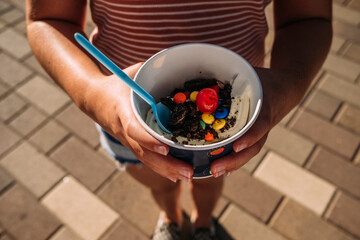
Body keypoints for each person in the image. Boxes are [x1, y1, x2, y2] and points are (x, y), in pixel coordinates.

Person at [26, 0, 332, 239]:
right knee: (159, 183)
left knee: (211, 180)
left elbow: (308, 17)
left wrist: (288, 83)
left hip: (233, 125)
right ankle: (171, 216)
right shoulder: (117, 111)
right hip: (122, 118)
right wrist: (95, 94)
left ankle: (203, 222)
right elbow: (47, 19)